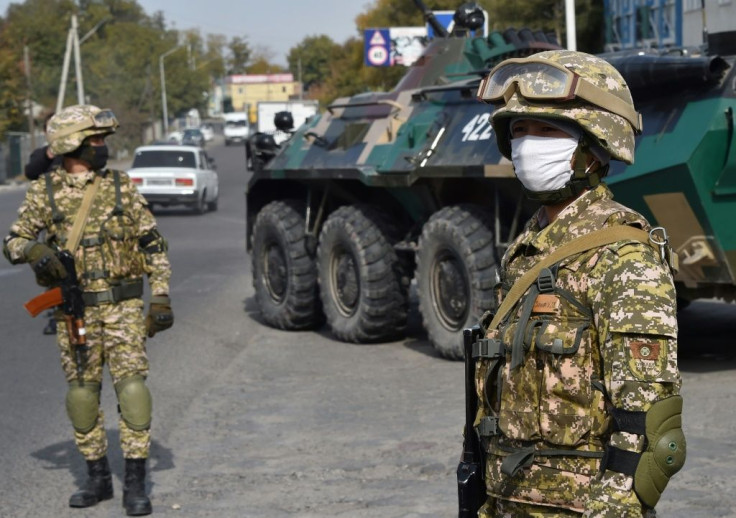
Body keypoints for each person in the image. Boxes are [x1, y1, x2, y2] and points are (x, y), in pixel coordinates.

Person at [470, 50, 685, 517]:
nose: (528, 144)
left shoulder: (623, 256)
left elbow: (652, 427)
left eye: (547, 131)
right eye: (519, 130)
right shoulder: (526, 247)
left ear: (593, 146)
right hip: (505, 500)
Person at [2, 104, 173, 516]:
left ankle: (136, 484)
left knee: (133, 391)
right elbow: (13, 242)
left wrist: (161, 296)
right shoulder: (44, 192)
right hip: (75, 313)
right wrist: (36, 249)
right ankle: (96, 479)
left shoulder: (120, 187)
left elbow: (153, 245)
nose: (102, 147)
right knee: (82, 395)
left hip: (124, 308)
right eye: (95, 140)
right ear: (72, 144)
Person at [24, 111, 63, 335]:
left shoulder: (74, 154)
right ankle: (55, 314)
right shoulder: (43, 155)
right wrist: (49, 155)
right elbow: (31, 172)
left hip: (77, 221)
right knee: (51, 269)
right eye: (50, 129)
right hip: (50, 225)